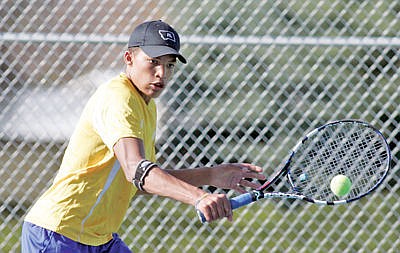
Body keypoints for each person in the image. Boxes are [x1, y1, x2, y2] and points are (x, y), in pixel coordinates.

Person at [21, 20, 266, 252]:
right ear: (129, 58)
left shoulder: (147, 105)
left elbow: (140, 180)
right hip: (58, 235)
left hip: (99, 238)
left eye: (170, 64)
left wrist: (210, 174)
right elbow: (136, 170)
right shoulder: (119, 98)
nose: (162, 73)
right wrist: (199, 197)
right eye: (153, 62)